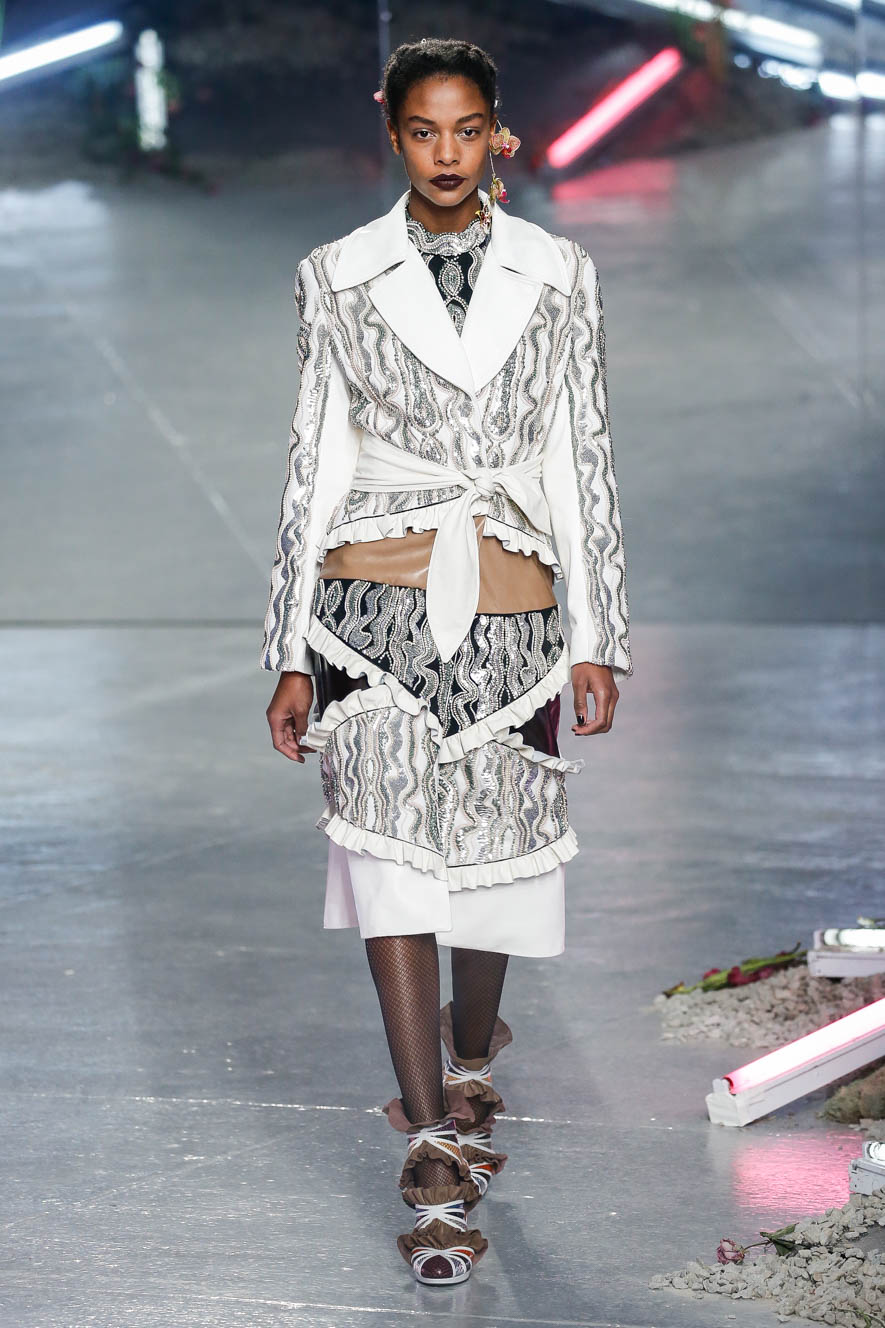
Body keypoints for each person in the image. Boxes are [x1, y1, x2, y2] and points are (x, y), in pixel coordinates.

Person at [260, 37, 633, 1286]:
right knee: (391, 867)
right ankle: (429, 1144)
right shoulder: (335, 275)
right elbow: (314, 458)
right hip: (366, 602)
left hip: (515, 607)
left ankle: (471, 1054)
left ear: (497, 132)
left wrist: (600, 633)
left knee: (487, 867)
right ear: (393, 133)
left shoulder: (560, 273)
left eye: (467, 129)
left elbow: (581, 453)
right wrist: (289, 648)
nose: (446, 153)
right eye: (424, 130)